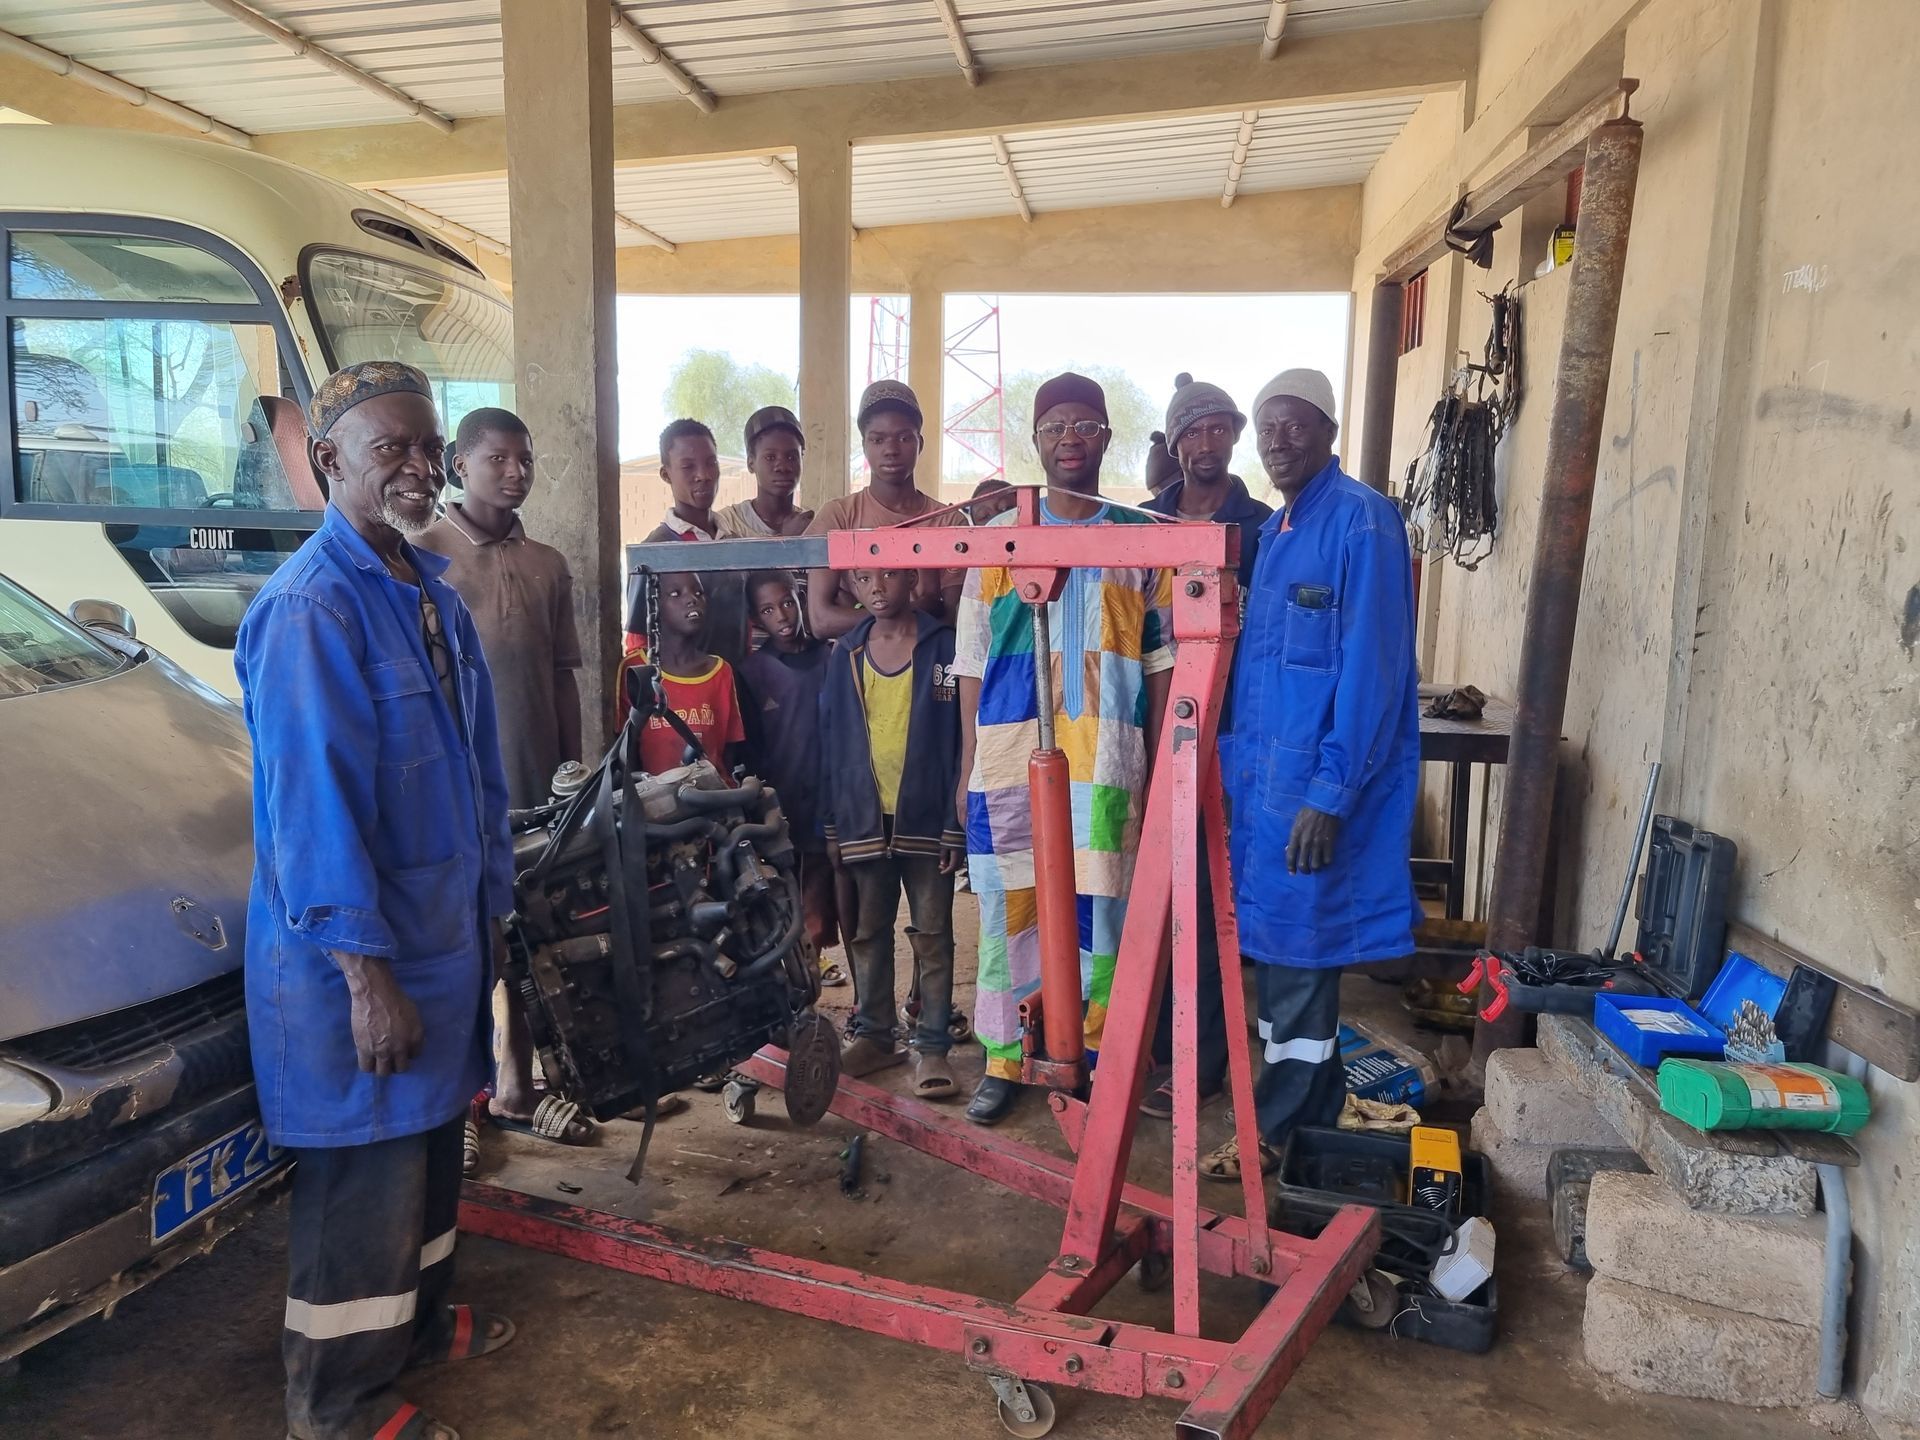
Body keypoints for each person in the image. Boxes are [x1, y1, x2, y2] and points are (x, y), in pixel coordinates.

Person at [235, 361, 514, 1440]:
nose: (417, 466)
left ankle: (416, 1328)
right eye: (389, 446)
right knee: (365, 1183)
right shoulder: (312, 608)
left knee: (430, 1152)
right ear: (328, 460)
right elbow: (312, 813)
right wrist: (367, 978)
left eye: (427, 446)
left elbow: (476, 774)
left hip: (440, 944)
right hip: (363, 962)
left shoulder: (426, 590)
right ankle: (337, 1404)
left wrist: (494, 911)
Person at [1209, 367, 1421, 1183]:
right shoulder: (1280, 531)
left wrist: (1330, 796)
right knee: (1279, 963)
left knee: (1300, 964)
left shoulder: (1362, 522)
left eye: (1294, 426)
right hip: (1265, 794)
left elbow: (1372, 673)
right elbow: (1262, 680)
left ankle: (1274, 1132)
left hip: (1315, 793)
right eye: (1267, 428)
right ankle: (1314, 1116)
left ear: (1329, 431)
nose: (1278, 442)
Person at [952, 372, 1173, 1126]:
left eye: (1085, 426)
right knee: (1009, 906)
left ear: (1106, 437)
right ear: (1036, 440)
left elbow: (1162, 664)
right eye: (1055, 427)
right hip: (1007, 753)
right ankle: (1005, 1057)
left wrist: (1165, 764)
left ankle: (1094, 1055)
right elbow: (972, 661)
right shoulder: (996, 540)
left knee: (1099, 909)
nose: (1070, 439)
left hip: (1109, 752)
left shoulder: (1143, 539)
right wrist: (966, 766)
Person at [413, 407, 594, 1168]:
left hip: (534, 786)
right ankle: (461, 1100)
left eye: (526, 459)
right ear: (460, 465)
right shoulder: (422, 555)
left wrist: (572, 774)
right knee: (465, 946)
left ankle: (517, 1087)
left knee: (527, 935)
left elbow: (561, 676)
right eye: (499, 459)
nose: (517, 472)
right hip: (456, 792)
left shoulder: (548, 563)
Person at [1138, 380, 1274, 1123]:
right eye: (1192, 432)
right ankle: (1150, 1047)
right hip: (1146, 732)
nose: (1207, 443)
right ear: (1175, 443)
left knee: (1206, 902)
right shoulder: (1143, 524)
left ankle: (1202, 1063)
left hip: (1226, 736)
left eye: (1220, 429)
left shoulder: (1259, 530)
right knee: (1148, 898)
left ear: (1234, 437)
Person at [820, 565, 966, 1098]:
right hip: (864, 817)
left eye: (889, 575)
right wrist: (832, 823)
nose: (877, 587)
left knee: (933, 936)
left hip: (927, 820)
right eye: (863, 579)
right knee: (868, 932)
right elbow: (830, 737)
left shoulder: (944, 647)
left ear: (914, 581)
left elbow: (961, 739)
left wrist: (955, 825)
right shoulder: (847, 653)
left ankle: (933, 1046)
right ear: (852, 588)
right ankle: (876, 1036)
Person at [738, 570, 846, 987]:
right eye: (767, 610)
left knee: (829, 898)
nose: (781, 616)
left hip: (832, 800)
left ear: (801, 599)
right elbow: (750, 748)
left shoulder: (833, 657)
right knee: (790, 901)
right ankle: (798, 988)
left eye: (787, 602)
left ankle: (820, 980)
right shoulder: (753, 672)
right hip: (783, 804)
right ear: (755, 619)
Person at [804, 380, 962, 640]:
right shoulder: (838, 516)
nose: (891, 450)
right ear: (864, 445)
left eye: (904, 438)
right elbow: (822, 621)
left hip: (929, 659)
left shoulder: (948, 521)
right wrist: (919, 608)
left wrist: (860, 614)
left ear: (920, 444)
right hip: (857, 660)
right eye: (878, 440)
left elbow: (953, 620)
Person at [617, 570, 748, 776]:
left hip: (713, 793)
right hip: (654, 793)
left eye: (698, 592)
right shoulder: (635, 670)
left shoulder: (720, 671)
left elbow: (729, 751)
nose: (692, 599)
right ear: (655, 605)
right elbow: (625, 750)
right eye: (675, 594)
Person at [641, 417, 749, 663]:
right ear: (666, 474)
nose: (704, 475)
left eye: (711, 463)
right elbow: (639, 640)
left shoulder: (734, 543)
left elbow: (746, 625)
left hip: (735, 681)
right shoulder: (655, 550)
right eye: (688, 466)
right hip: (682, 686)